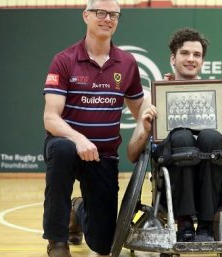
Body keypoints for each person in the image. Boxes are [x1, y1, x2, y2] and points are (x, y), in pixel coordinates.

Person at [42, 0, 145, 256]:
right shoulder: (64, 60)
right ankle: (57, 240)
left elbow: (140, 109)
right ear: (86, 16)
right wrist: (79, 139)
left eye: (114, 15)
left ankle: (79, 209)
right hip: (69, 146)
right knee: (63, 150)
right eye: (101, 13)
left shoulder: (127, 63)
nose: (107, 19)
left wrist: (159, 108)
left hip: (104, 156)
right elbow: (51, 118)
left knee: (104, 246)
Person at [127, 28, 222, 242]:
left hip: (210, 174)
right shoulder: (155, 97)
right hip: (172, 171)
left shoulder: (219, 96)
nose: (191, 59)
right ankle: (184, 222)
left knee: (211, 137)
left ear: (202, 61)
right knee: (180, 136)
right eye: (185, 53)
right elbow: (132, 154)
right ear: (173, 58)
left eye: (197, 55)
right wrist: (146, 131)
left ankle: (206, 225)